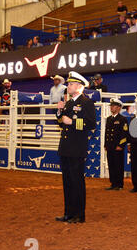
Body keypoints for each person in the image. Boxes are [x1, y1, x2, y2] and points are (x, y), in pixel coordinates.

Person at [55, 71, 96, 224]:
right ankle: (68, 213)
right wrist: (59, 112)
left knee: (77, 181)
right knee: (67, 182)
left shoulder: (86, 102)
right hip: (66, 148)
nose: (68, 86)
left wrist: (71, 122)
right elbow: (61, 122)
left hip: (77, 148)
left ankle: (79, 215)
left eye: (71, 84)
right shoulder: (70, 102)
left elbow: (91, 124)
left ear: (79, 86)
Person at [105, 98, 129, 191]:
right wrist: (106, 144)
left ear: (119, 108)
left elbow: (124, 133)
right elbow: (107, 132)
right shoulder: (109, 119)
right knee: (111, 164)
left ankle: (119, 184)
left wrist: (121, 145)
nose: (111, 107)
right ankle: (113, 183)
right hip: (110, 146)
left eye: (114, 106)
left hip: (117, 146)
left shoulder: (122, 119)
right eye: (111, 105)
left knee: (118, 165)